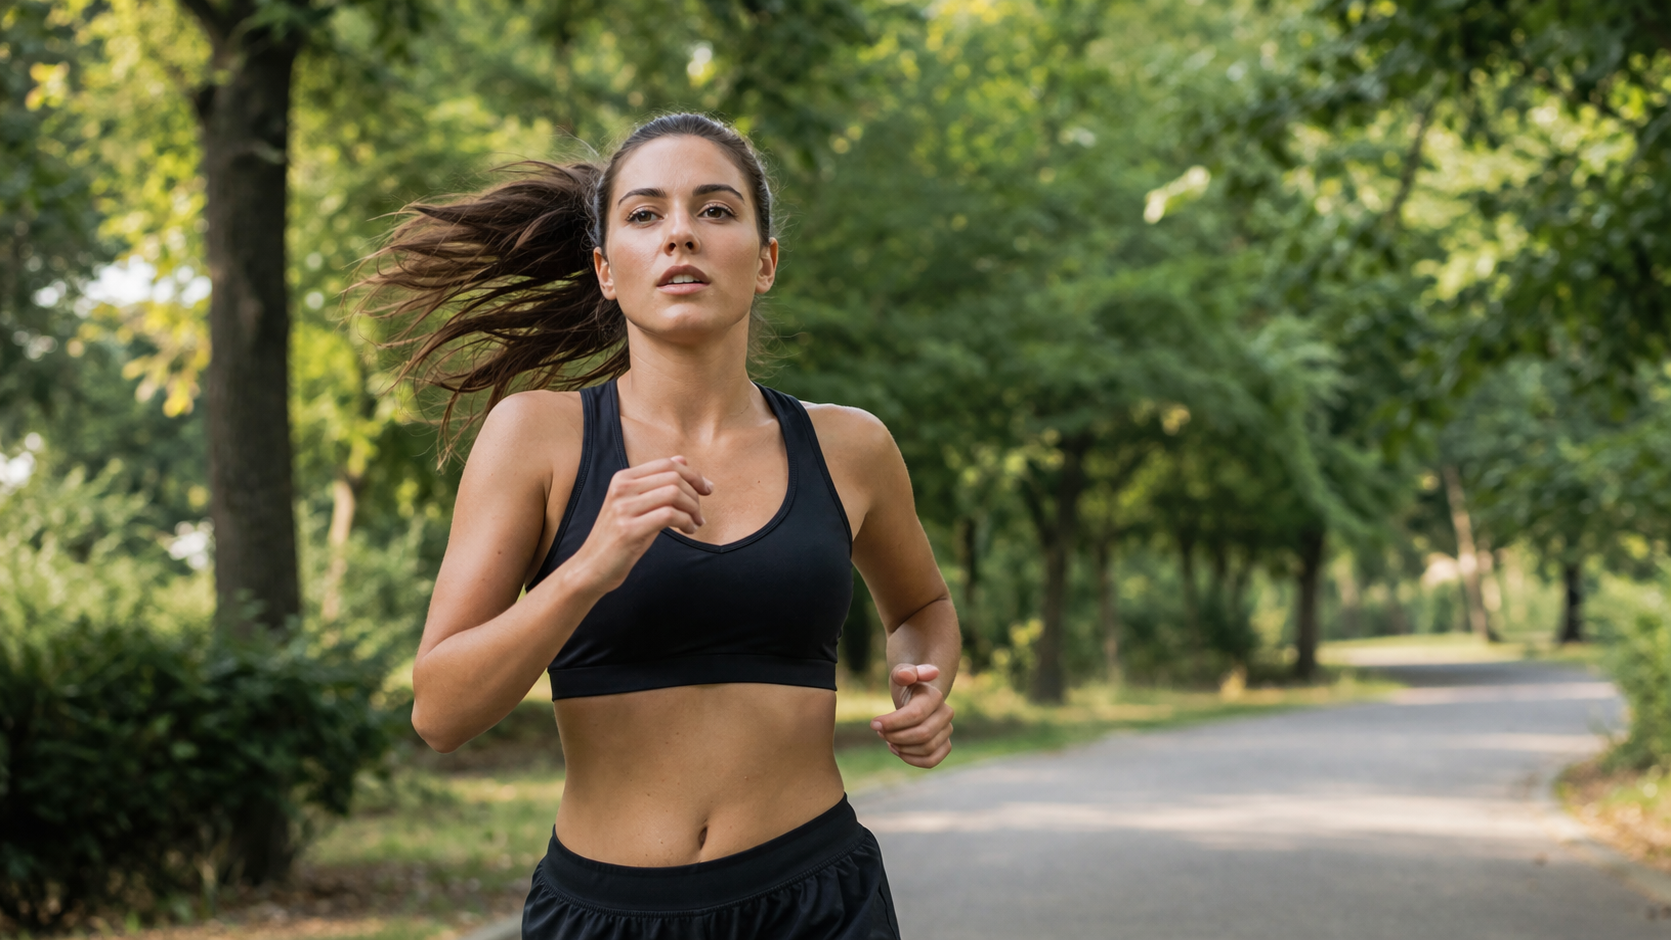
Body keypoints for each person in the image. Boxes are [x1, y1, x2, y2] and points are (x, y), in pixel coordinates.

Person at [360, 113, 961, 939]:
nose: (681, 233)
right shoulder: (537, 437)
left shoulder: (849, 446)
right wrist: (585, 570)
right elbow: (440, 712)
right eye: (645, 215)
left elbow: (920, 609)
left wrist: (924, 682)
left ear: (766, 261)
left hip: (817, 900)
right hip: (605, 914)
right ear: (607, 270)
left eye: (716, 211)